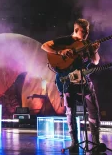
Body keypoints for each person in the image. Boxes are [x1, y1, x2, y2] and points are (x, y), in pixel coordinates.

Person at [41, 19, 101, 152]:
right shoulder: (66, 40)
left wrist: (95, 51)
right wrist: (60, 52)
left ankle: (96, 143)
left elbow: (95, 62)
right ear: (76, 30)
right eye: (83, 31)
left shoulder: (88, 43)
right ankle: (74, 143)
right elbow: (45, 46)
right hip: (69, 81)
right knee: (71, 111)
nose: (86, 34)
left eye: (88, 31)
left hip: (84, 80)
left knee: (94, 110)